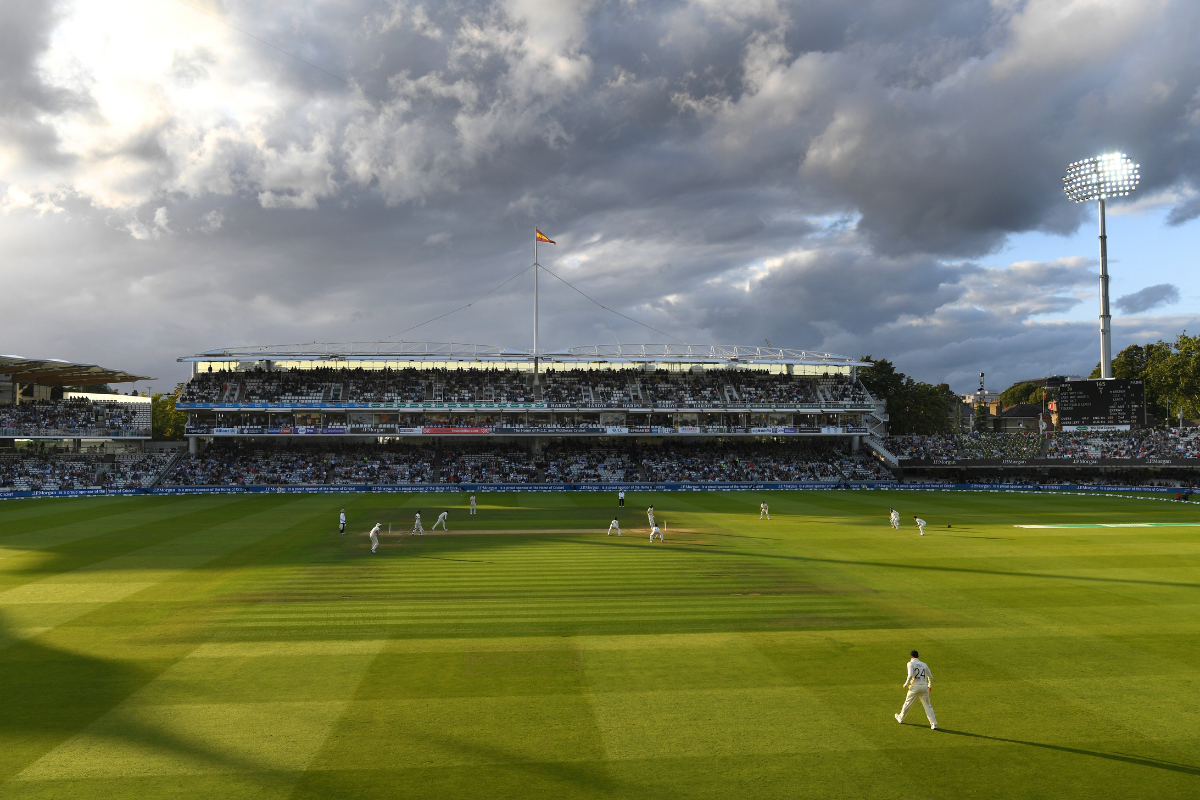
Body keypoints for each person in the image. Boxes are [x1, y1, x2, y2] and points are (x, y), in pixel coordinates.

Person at [895, 650, 937, 729]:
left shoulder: (910, 663)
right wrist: (930, 685)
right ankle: (934, 724)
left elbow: (910, 675)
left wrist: (906, 684)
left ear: (911, 657)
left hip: (915, 687)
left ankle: (901, 718)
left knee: (907, 704)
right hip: (924, 687)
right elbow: (930, 676)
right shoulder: (924, 664)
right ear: (918, 656)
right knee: (928, 706)